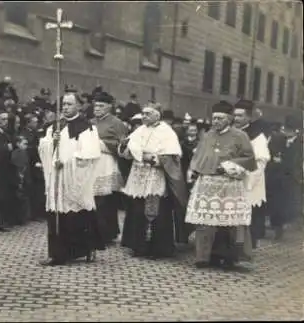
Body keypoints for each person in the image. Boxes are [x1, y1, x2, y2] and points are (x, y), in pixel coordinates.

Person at [185, 101, 256, 271]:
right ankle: (203, 257)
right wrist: (193, 170)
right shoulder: (208, 135)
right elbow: (199, 156)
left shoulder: (240, 136)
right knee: (205, 222)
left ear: (229, 119)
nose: (215, 121)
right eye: (214, 118)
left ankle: (229, 257)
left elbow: (249, 158)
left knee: (228, 224)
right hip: (207, 183)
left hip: (228, 183)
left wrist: (229, 165)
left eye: (219, 118)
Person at [38, 91, 104, 266]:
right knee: (56, 212)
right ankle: (57, 253)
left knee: (77, 211)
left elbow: (89, 154)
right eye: (64, 104)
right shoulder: (55, 126)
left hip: (75, 177)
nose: (65, 107)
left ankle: (86, 249)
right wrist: (51, 141)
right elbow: (43, 146)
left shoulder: (87, 128)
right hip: (57, 176)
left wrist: (67, 163)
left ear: (78, 106)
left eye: (69, 104)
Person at [118, 103, 187, 259]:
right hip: (138, 175)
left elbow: (172, 156)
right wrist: (124, 148)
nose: (144, 116)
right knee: (137, 209)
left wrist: (153, 159)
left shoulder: (167, 132)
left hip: (155, 176)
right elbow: (127, 152)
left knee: (157, 211)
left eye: (148, 113)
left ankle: (157, 249)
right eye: (143, 113)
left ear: (157, 115)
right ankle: (138, 246)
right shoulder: (139, 130)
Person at [91, 92, 129, 245]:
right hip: (93, 162)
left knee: (106, 200)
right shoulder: (91, 122)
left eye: (101, 106)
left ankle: (108, 232)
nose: (97, 108)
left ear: (109, 107)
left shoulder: (117, 123)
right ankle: (96, 231)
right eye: (96, 105)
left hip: (107, 162)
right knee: (95, 199)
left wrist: (102, 144)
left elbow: (123, 145)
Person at [233, 99, 270, 249]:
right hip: (231, 178)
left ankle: (247, 245)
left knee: (248, 213)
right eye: (234, 115)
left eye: (240, 116)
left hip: (249, 178)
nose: (236, 119)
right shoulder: (230, 132)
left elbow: (261, 161)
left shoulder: (256, 136)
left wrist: (249, 177)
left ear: (248, 117)